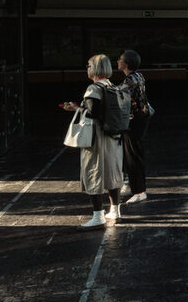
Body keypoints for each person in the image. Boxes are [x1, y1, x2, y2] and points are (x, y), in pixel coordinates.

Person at [62, 54, 124, 229]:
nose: (87, 68)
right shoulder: (112, 86)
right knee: (113, 171)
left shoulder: (93, 88)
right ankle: (115, 210)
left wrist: (77, 108)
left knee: (93, 172)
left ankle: (98, 216)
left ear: (95, 68)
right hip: (113, 135)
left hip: (96, 137)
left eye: (89, 65)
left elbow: (93, 111)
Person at [117, 50, 153, 204]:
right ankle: (138, 188)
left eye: (120, 60)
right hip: (141, 118)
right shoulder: (138, 76)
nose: (118, 61)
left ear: (126, 63)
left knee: (133, 156)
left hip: (134, 121)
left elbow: (120, 99)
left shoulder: (129, 81)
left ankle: (139, 191)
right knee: (134, 154)